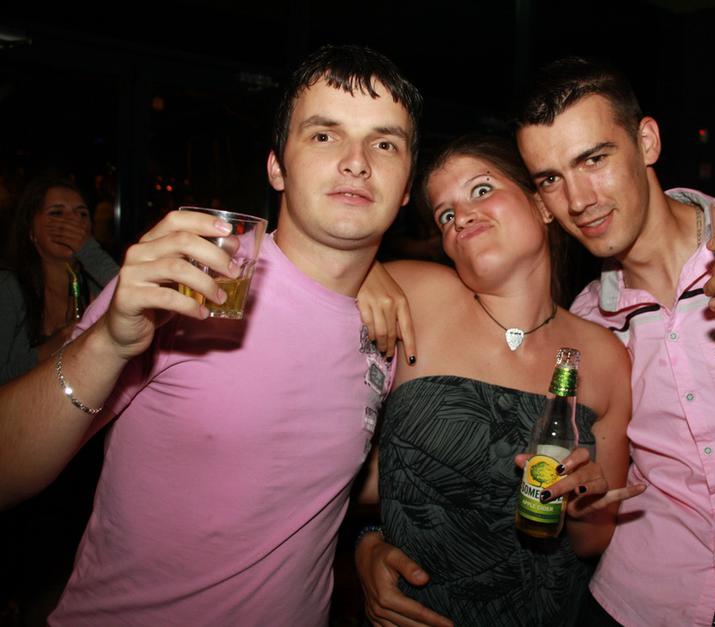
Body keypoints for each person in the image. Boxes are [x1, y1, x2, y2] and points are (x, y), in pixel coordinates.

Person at [362, 57, 715, 626]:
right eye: (551, 179)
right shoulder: (590, 322)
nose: (579, 199)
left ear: (647, 142)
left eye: (594, 159)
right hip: (641, 604)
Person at [0, 44, 421, 625]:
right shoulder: (196, 279)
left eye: (385, 143)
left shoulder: (393, 318)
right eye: (324, 135)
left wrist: (373, 536)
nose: (356, 162)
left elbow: (321, 478)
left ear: (406, 185)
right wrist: (108, 343)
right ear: (277, 167)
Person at [354, 135, 638, 626]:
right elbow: (319, 464)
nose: (461, 217)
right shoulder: (412, 295)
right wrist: (359, 269)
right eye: (445, 214)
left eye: (481, 190)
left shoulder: (605, 356)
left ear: (542, 205)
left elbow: (592, 542)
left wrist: (585, 504)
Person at [1, 176, 119, 384]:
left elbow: (134, 297)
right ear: (31, 231)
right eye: (57, 213)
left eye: (82, 214)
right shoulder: (8, 288)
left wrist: (88, 250)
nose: (73, 222)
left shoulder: (95, 286)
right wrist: (58, 342)